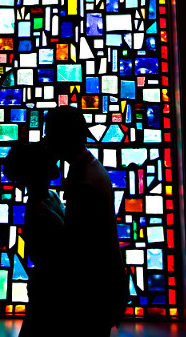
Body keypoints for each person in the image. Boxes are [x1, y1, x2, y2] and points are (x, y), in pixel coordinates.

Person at [44, 106, 129, 337]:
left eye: (50, 134)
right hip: (101, 290)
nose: (47, 141)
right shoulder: (89, 167)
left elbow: (81, 247)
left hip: (92, 295)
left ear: (65, 136)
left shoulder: (84, 183)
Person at [3, 141, 65, 337]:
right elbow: (43, 253)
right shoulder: (40, 209)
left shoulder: (51, 198)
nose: (55, 161)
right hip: (50, 289)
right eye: (49, 160)